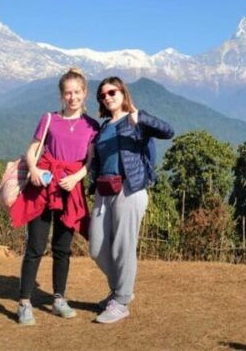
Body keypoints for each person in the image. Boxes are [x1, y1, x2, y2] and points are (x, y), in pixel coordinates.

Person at [11, 68, 99, 326]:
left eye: (77, 92)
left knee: (63, 249)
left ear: (85, 93)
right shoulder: (48, 119)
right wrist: (36, 169)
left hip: (70, 189)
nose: (72, 97)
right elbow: (31, 151)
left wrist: (77, 177)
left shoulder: (91, 125)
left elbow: (90, 160)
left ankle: (58, 298)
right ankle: (24, 302)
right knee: (35, 247)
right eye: (68, 93)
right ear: (61, 95)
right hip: (44, 187)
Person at [88, 76, 174, 324]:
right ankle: (120, 291)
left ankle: (121, 301)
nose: (107, 97)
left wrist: (142, 118)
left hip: (129, 188)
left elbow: (169, 131)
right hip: (104, 190)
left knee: (122, 247)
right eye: (102, 95)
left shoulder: (136, 120)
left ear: (123, 93)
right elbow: (99, 160)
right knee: (97, 248)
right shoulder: (103, 128)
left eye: (112, 92)